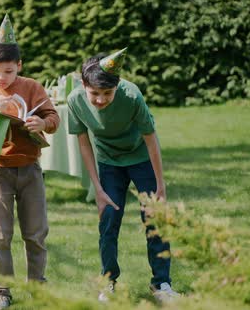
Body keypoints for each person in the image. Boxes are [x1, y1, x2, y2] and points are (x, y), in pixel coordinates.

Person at [0, 14, 59, 310]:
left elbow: (53, 117)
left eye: (7, 71)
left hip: (29, 167)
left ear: (19, 66)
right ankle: (2, 290)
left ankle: (37, 286)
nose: (1, 78)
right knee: (0, 234)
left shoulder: (31, 87)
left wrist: (41, 124)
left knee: (35, 232)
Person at [66, 48, 179, 302]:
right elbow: (84, 144)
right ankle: (108, 281)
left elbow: (151, 140)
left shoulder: (131, 94)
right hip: (109, 161)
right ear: (84, 85)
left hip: (141, 158)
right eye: (94, 93)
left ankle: (161, 284)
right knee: (108, 220)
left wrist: (160, 186)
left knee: (154, 218)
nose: (100, 100)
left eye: (107, 93)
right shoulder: (75, 101)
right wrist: (97, 189)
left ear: (117, 86)